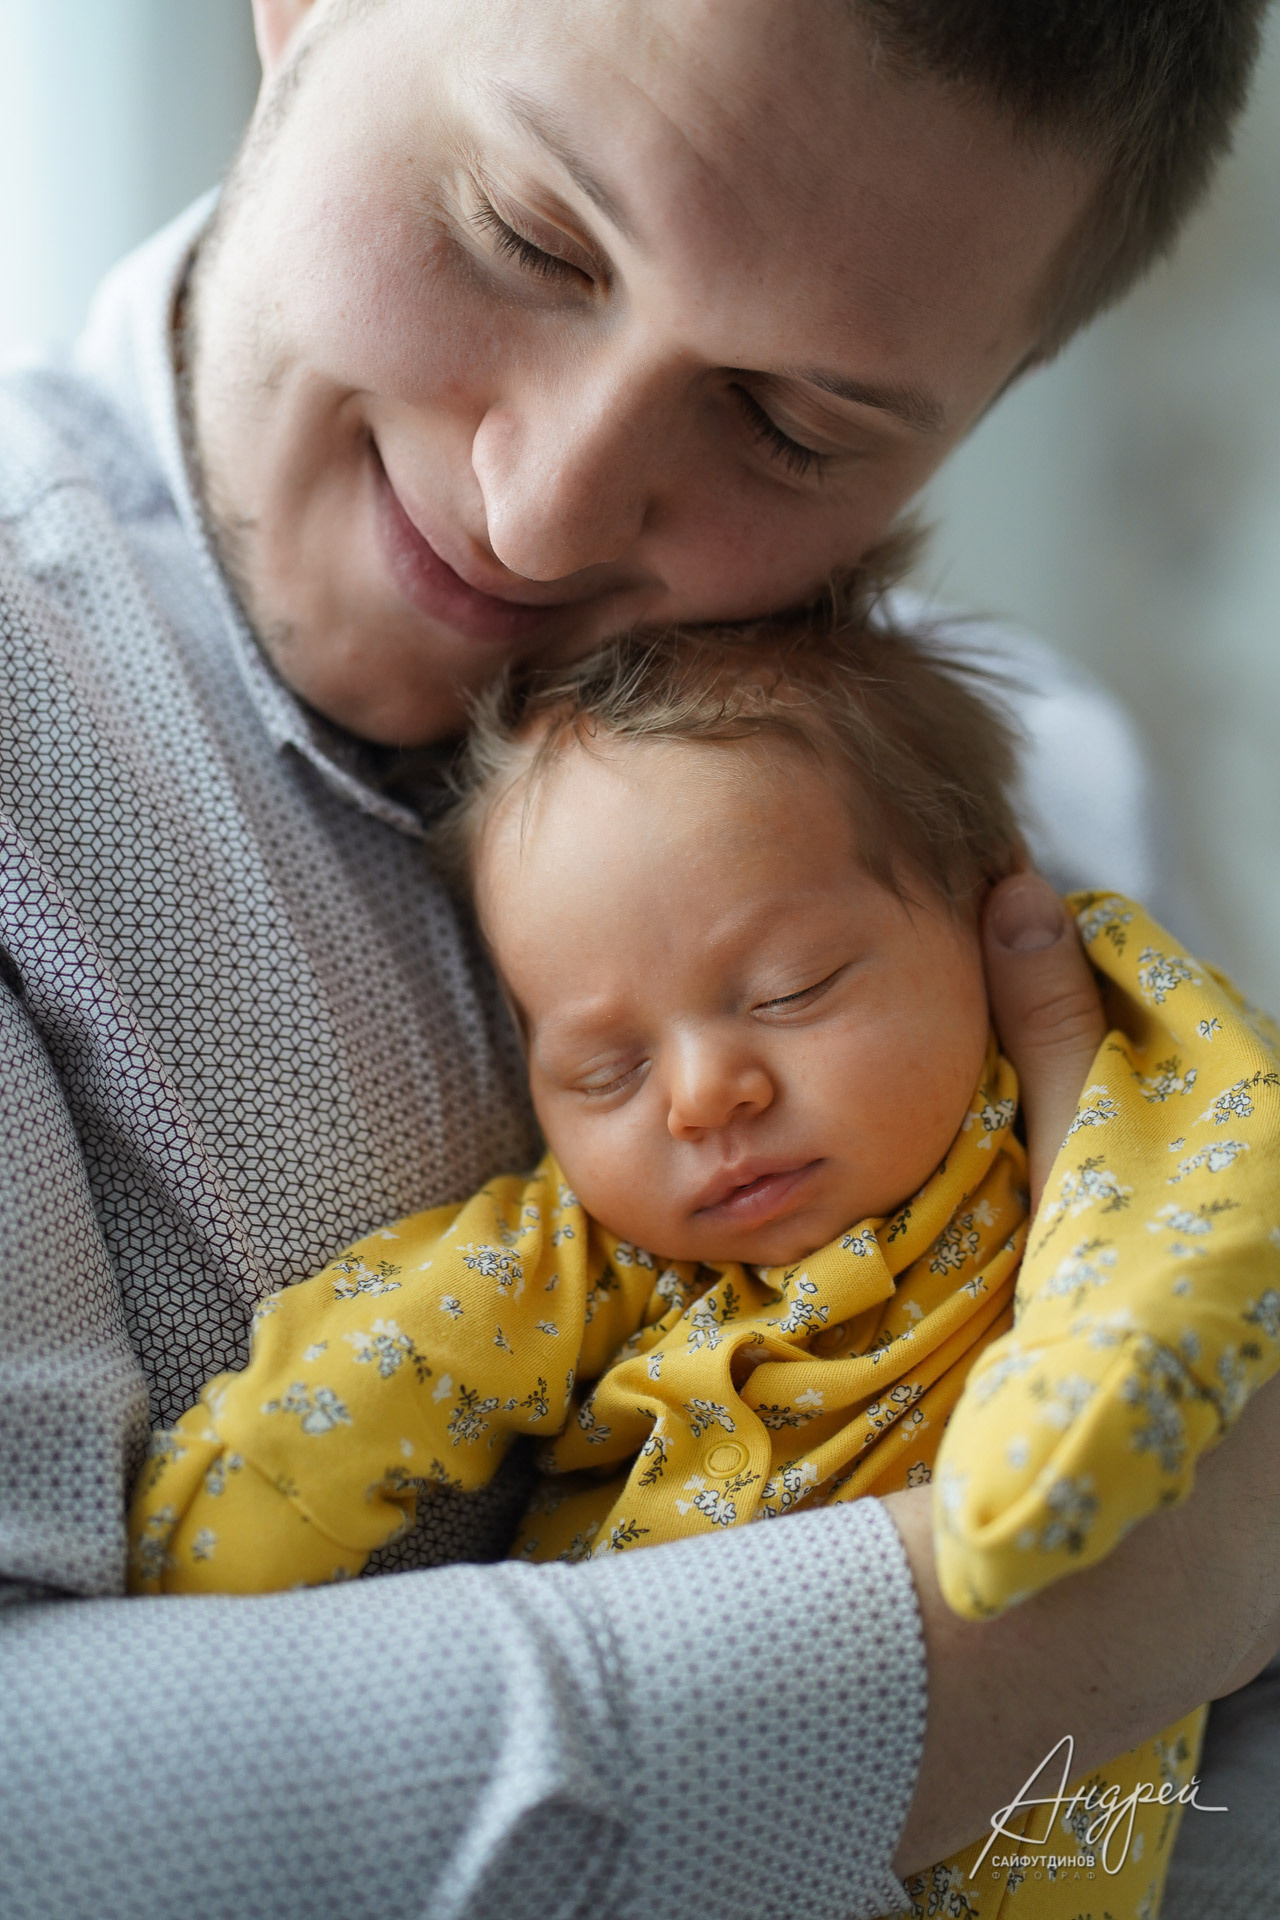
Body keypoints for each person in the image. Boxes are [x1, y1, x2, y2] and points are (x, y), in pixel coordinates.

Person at [2, 2, 1279, 1916]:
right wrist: (1140, 1590)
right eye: (528, 237)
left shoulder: (1064, 796)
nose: (540, 505)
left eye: (791, 422)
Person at [127, 620, 1280, 1917]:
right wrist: (206, 1546)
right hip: (680, 1838)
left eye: (789, 990)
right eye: (602, 1071)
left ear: (985, 901)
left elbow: (1196, 1218)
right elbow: (390, 1360)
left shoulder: (1093, 1085)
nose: (700, 1097)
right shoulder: (600, 1251)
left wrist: (1076, 1413)